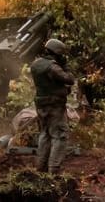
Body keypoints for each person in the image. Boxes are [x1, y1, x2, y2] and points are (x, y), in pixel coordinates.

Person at [30, 38, 75, 174]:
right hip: (54, 106)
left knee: (45, 134)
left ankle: (40, 168)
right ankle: (54, 171)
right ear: (57, 53)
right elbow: (70, 79)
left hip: (41, 105)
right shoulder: (53, 67)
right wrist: (66, 66)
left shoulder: (36, 64)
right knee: (60, 136)